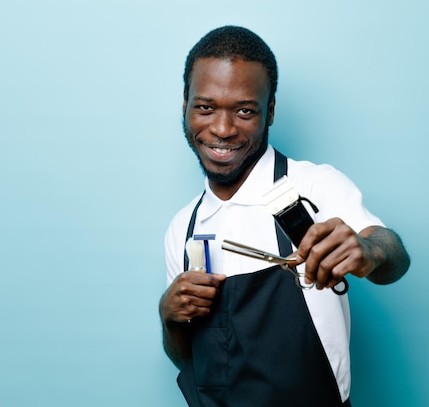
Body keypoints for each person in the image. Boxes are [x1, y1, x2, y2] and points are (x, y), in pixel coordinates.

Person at [159, 25, 410, 407]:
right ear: (185, 104)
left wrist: (369, 251)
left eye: (244, 110)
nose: (222, 129)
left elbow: (393, 257)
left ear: (270, 111)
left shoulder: (314, 186)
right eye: (205, 107)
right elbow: (193, 359)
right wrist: (170, 317)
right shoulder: (184, 227)